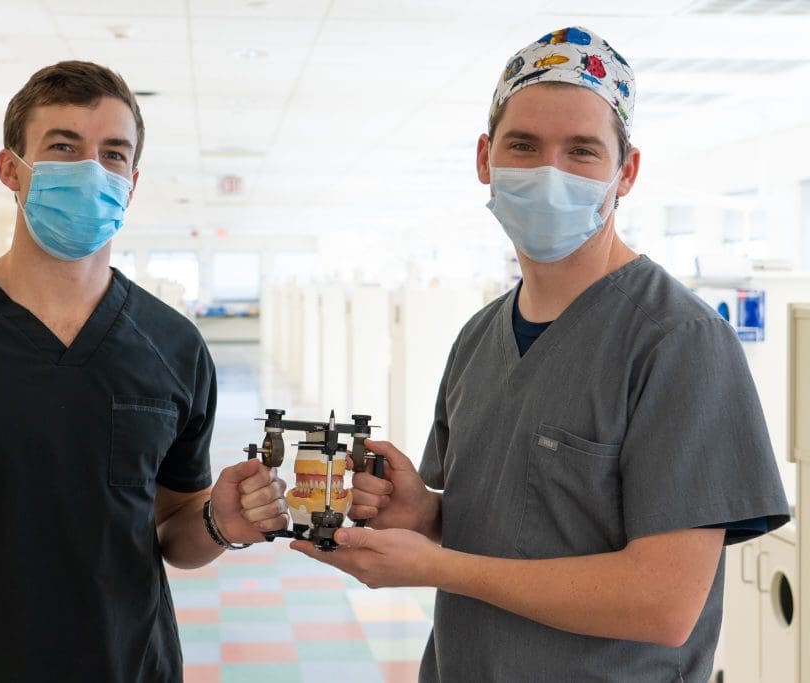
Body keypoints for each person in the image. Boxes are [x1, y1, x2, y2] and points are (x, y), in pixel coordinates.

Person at [292, 27, 790, 681]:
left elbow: (664, 601)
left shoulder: (679, 344)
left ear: (626, 171)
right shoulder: (478, 338)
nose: (548, 172)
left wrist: (437, 565)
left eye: (581, 151)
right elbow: (520, 525)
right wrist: (428, 515)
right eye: (523, 146)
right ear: (484, 158)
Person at [0, 60, 288, 683]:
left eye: (113, 154)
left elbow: (174, 530)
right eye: (64, 147)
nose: (92, 170)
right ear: (12, 169)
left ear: (132, 182)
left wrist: (218, 524)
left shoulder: (174, 347)